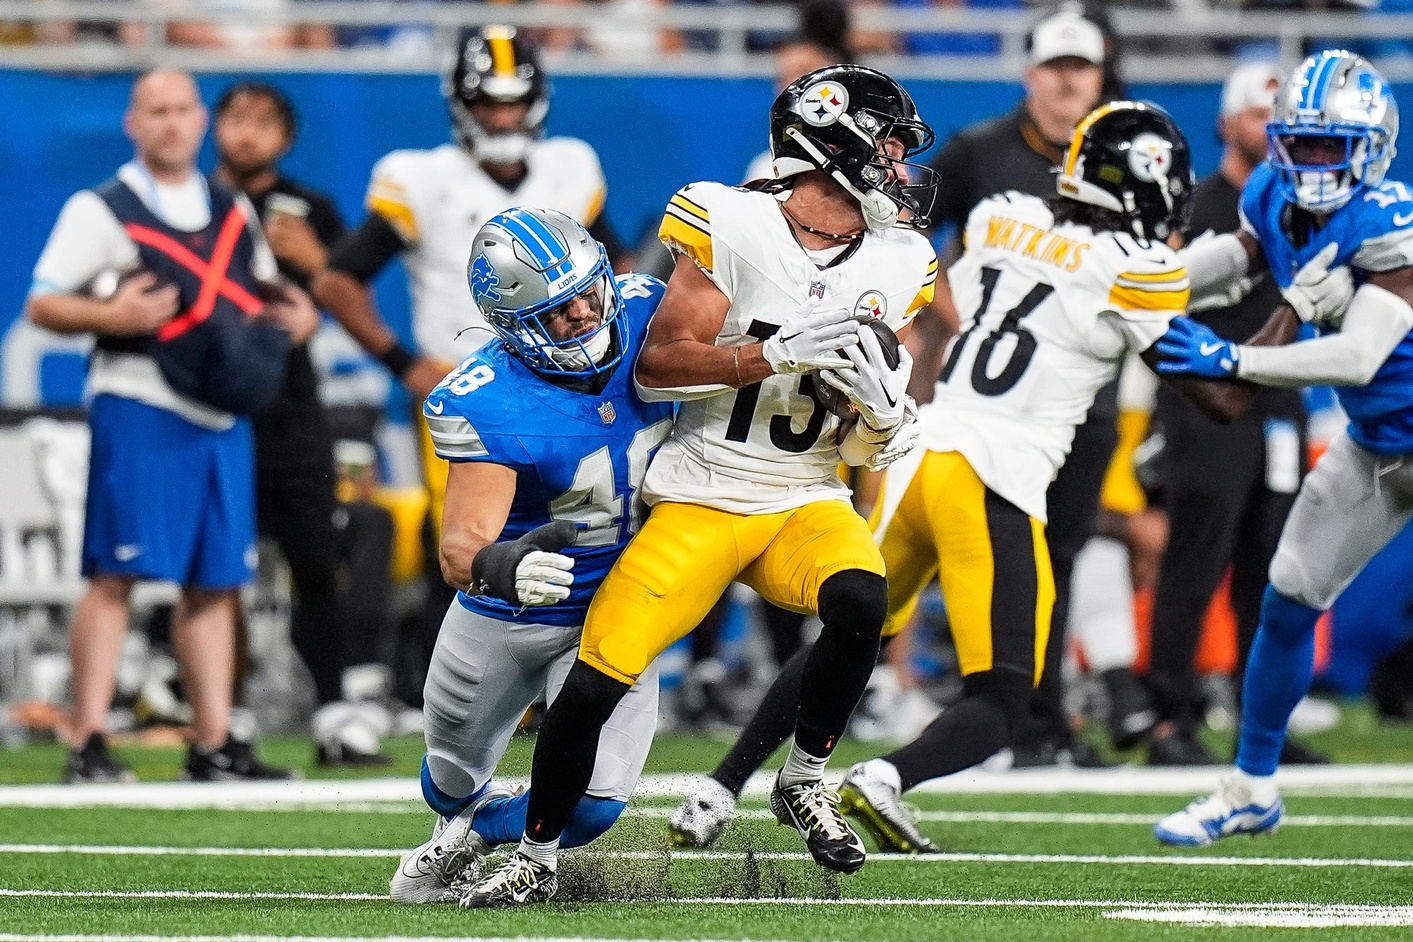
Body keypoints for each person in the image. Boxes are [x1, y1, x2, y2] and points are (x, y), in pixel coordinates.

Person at [669, 101, 1346, 853]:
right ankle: (886, 776)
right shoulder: (1134, 270)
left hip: (917, 454)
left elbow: (1116, 276)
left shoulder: (1001, 215)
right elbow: (1220, 395)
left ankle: (717, 788)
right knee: (1000, 696)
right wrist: (1290, 301)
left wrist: (1244, 250)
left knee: (845, 639)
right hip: (992, 478)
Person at [460, 65, 937, 907]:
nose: (900, 164)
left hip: (804, 496)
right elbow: (658, 365)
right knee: (595, 680)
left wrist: (884, 421)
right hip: (705, 492)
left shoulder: (902, 260)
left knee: (864, 600)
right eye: (890, 144)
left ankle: (805, 778)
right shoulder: (731, 219)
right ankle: (535, 855)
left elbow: (858, 442)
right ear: (836, 148)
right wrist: (773, 351)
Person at [312, 25, 625, 687]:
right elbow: (338, 280)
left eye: (513, 102)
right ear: (460, 104)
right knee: (465, 542)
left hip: (571, 386)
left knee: (581, 532)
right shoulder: (421, 178)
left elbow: (614, 269)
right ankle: (449, 687)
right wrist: (404, 362)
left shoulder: (572, 165)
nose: (503, 116)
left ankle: (558, 687)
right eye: (489, 103)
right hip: (477, 388)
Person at [1154, 50, 1413, 846]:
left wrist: (1234, 360)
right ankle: (1250, 786)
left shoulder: (1388, 219)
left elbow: (1358, 355)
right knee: (1287, 598)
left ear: (1368, 149)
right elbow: (1236, 260)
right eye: (1295, 142)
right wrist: (1145, 283)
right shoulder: (1268, 193)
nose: (1306, 162)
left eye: (1325, 147)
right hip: (1378, 444)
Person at [26, 70, 314, 783]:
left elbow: (263, 290)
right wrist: (110, 317)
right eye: (156, 111)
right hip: (138, 401)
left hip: (220, 411)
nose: (171, 123)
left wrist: (299, 318)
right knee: (115, 573)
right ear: (133, 122)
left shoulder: (229, 208)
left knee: (216, 580)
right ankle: (87, 739)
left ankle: (212, 740)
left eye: (183, 109)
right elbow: (43, 304)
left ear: (199, 121)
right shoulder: (103, 208)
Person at [387, 208, 672, 904]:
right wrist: (500, 564)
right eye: (557, 310)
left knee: (592, 806)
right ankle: (459, 816)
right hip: (506, 614)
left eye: (588, 292)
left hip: (617, 608)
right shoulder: (491, 398)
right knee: (448, 777)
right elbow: (458, 547)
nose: (582, 313)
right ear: (514, 326)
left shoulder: (650, 314)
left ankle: (481, 831)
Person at [920, 5, 1119, 766]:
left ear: (1099, 76)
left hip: (1079, 400)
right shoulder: (978, 151)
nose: (1068, 82)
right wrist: (954, 312)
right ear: (1029, 73)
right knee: (995, 556)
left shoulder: (1122, 154)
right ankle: (997, 713)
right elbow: (905, 227)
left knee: (1059, 556)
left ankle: (1041, 717)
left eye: (1081, 68)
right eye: (1056, 67)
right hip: (993, 408)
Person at [1143, 63, 1326, 768]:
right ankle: (1168, 717)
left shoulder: (1296, 209)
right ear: (1225, 122)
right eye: (1260, 116)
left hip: (1277, 406)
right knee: (1195, 561)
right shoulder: (1191, 208)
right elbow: (1152, 313)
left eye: (1282, 121)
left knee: (1272, 570)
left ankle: (1261, 725)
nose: (1272, 132)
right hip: (1204, 410)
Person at [211, 80, 390, 765]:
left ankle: (334, 712)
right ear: (216, 127)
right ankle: (225, 716)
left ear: (286, 139)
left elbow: (352, 298)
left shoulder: (310, 208)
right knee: (219, 572)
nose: (248, 132)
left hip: (291, 409)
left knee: (316, 560)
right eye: (236, 118)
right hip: (215, 408)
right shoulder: (193, 207)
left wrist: (317, 265)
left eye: (264, 122)